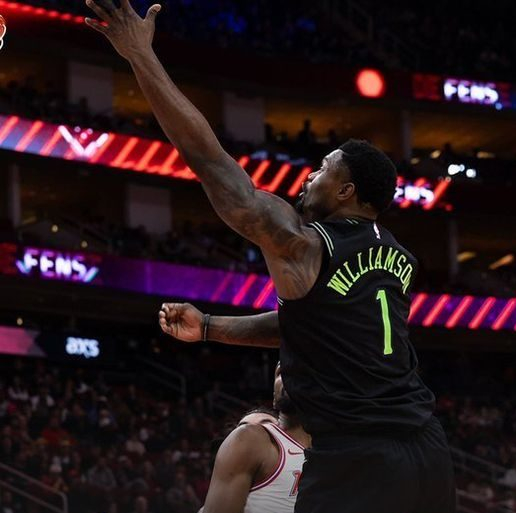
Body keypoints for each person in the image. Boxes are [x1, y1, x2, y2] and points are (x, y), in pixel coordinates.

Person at [85, 1, 455, 511]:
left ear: (345, 191)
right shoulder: (397, 258)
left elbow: (211, 163)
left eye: (322, 169)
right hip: (428, 452)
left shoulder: (306, 242)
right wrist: (210, 327)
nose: (310, 177)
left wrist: (140, 57)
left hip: (358, 456)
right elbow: (311, 325)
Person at [202, 364, 310, 513]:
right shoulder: (249, 440)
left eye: (299, 370)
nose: (287, 377)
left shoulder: (331, 451)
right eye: (281, 372)